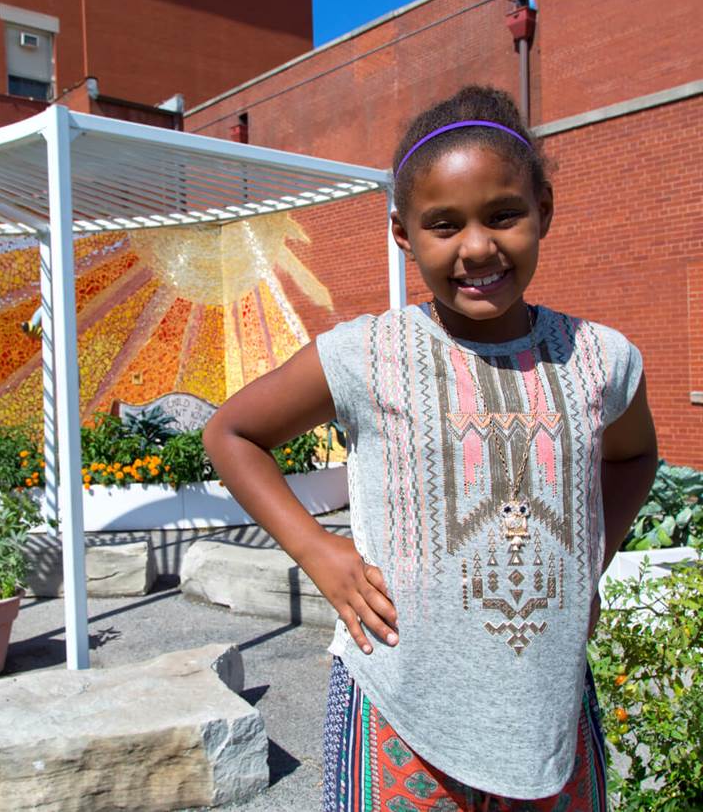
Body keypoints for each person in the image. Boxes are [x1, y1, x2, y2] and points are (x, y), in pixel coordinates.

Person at [203, 86, 657, 811]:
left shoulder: (603, 358)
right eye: (443, 225)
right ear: (402, 234)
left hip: (548, 719)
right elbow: (232, 433)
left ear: (545, 207)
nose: (477, 247)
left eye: (503, 214)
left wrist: (586, 559)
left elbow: (633, 457)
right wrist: (323, 554)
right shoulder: (366, 355)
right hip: (400, 714)